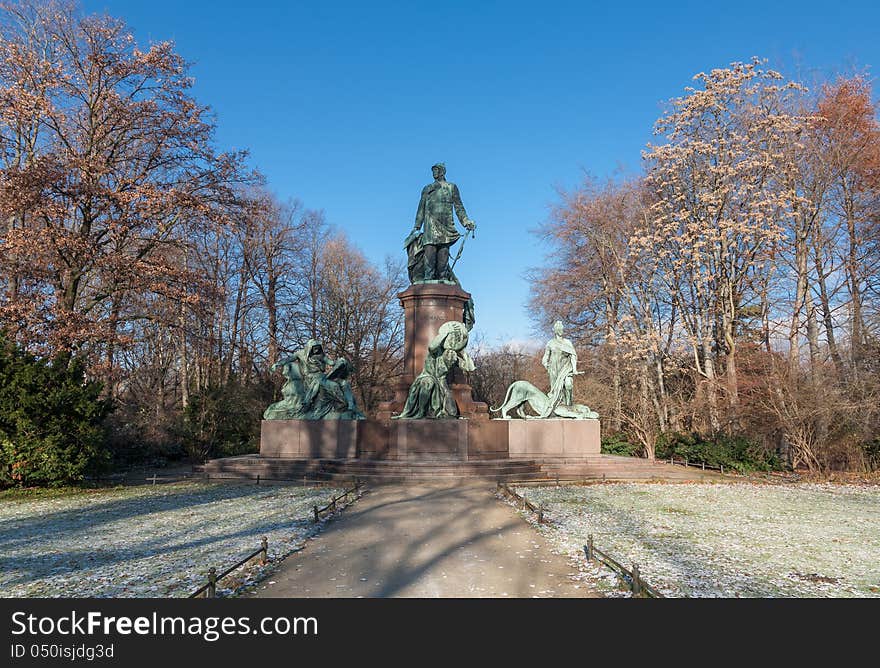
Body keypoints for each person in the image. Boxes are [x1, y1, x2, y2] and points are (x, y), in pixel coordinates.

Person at [264, 340, 365, 420]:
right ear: (309, 348)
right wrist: (277, 364)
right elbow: (288, 359)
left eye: (318, 348)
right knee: (332, 385)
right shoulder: (300, 354)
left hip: (323, 376)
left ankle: (350, 406)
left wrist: (341, 362)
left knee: (344, 383)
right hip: (311, 379)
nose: (316, 350)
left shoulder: (321, 355)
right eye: (314, 348)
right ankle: (341, 404)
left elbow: (331, 363)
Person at [393, 321, 475, 419]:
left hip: (441, 382)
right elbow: (432, 346)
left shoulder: (452, 354)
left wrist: (462, 349)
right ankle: (421, 412)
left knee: (452, 412)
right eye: (451, 337)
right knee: (427, 383)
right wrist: (445, 333)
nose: (452, 340)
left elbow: (470, 367)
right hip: (428, 376)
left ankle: (437, 411)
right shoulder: (436, 351)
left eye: (454, 338)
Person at [408, 163, 476, 281]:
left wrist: (466, 221)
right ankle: (428, 282)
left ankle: (443, 282)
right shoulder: (427, 188)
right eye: (433, 170)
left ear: (442, 171)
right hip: (430, 228)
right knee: (429, 255)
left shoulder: (451, 187)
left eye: (436, 170)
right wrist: (417, 226)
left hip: (446, 228)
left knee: (443, 259)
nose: (434, 173)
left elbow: (459, 207)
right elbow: (421, 208)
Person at [541, 320, 579, 407]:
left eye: (561, 329)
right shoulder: (550, 343)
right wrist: (545, 363)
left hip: (565, 368)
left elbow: (573, 356)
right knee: (556, 390)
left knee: (568, 384)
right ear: (555, 330)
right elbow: (546, 356)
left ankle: (569, 404)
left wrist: (574, 369)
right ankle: (557, 405)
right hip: (554, 369)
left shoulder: (567, 342)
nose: (560, 330)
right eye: (558, 329)